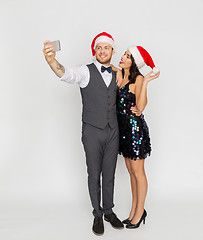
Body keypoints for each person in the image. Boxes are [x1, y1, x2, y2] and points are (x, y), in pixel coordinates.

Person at [42, 32, 140, 236]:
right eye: (99, 48)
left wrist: (139, 105)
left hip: (113, 131)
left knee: (110, 174)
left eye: (106, 48)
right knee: (94, 174)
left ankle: (108, 211)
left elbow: (136, 78)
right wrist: (52, 61)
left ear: (113, 51)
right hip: (92, 131)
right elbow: (65, 73)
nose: (102, 51)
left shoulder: (118, 74)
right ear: (94, 51)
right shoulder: (84, 72)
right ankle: (97, 214)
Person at [111, 45, 160, 229]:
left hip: (134, 130)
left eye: (128, 56)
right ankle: (134, 211)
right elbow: (106, 63)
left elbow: (140, 106)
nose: (123, 57)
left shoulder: (138, 78)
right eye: (124, 54)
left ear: (134, 62)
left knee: (138, 172)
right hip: (123, 131)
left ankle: (140, 212)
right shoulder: (120, 75)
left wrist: (146, 81)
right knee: (131, 172)